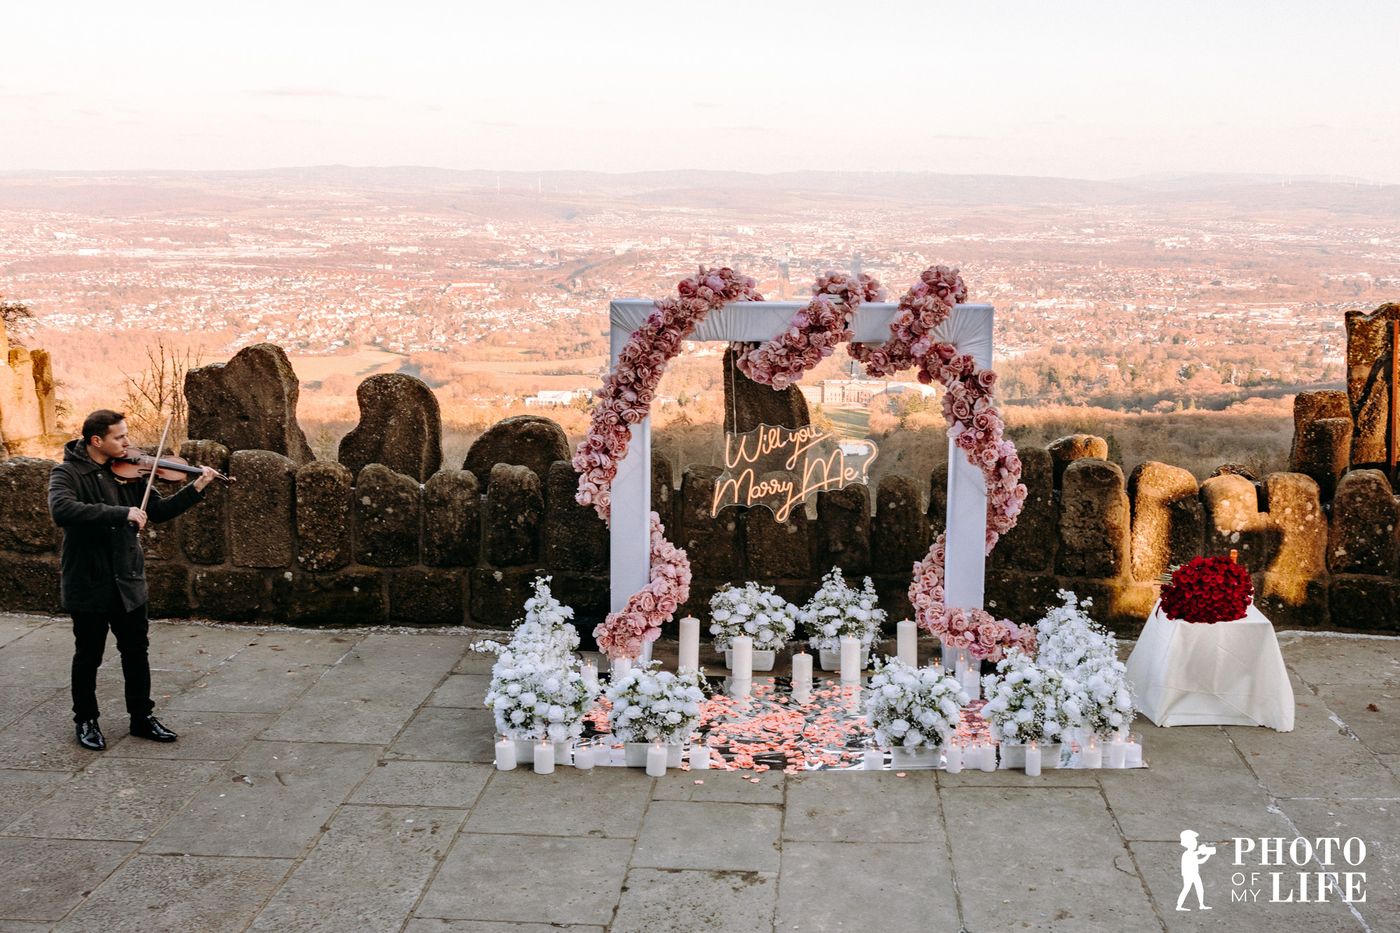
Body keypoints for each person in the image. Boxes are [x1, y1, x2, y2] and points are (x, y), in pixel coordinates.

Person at [47, 409, 217, 751]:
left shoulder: (132, 472)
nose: (128, 443)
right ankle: (86, 720)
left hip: (128, 578)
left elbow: (157, 512)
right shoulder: (67, 473)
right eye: (119, 437)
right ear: (97, 441)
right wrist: (121, 513)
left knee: (136, 652)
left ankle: (141, 717)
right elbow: (62, 511)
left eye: (127, 436)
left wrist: (197, 488)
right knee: (88, 655)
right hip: (88, 580)